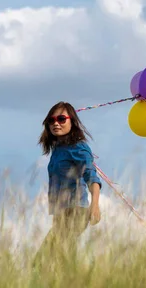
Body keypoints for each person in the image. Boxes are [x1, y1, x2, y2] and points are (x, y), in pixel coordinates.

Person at [34, 101, 102, 262]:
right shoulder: (57, 150)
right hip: (60, 214)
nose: (56, 123)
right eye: (52, 120)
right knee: (62, 260)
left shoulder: (78, 148)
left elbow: (92, 178)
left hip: (75, 211)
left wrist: (95, 206)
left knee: (41, 262)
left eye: (61, 119)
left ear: (72, 120)